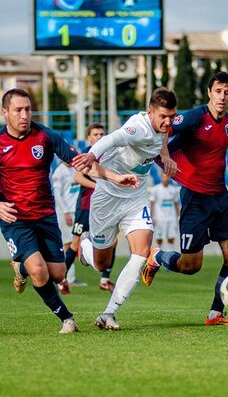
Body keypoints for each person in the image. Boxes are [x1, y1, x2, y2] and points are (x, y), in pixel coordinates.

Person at [0, 88, 138, 334]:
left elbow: (82, 163)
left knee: (57, 274)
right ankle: (67, 319)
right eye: (18, 110)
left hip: (44, 215)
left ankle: (19, 268)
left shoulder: (45, 136)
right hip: (15, 218)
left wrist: (114, 177)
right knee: (39, 271)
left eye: (28, 109)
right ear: (5, 113)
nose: (24, 115)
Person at [142, 72, 228, 326]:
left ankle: (216, 313)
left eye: (227, 92)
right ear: (209, 92)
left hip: (220, 196)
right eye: (218, 91)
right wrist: (164, 155)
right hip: (195, 198)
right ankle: (157, 256)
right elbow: (165, 127)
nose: (222, 96)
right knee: (190, 265)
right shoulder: (196, 116)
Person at [72, 87, 177, 331]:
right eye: (163, 116)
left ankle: (109, 313)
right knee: (101, 264)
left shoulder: (163, 125)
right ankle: (84, 248)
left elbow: (161, 140)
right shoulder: (137, 127)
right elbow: (113, 138)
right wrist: (91, 155)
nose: (168, 121)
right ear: (150, 112)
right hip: (107, 197)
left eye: (172, 116)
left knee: (141, 253)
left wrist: (167, 157)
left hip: (135, 197)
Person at [64, 123, 117, 292]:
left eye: (102, 134)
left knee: (113, 242)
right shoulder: (85, 155)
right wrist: (99, 187)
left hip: (105, 206)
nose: (100, 137)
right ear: (89, 137)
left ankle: (104, 279)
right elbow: (78, 177)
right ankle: (62, 279)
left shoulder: (109, 154)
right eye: (96, 134)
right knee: (75, 243)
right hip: (86, 206)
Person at [51, 160, 84, 293]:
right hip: (65, 213)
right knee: (68, 244)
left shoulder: (75, 170)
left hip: (76, 210)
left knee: (73, 244)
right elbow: (57, 195)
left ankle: (68, 278)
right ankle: (67, 278)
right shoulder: (59, 172)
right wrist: (65, 212)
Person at [149, 171, 180, 249]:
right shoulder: (155, 189)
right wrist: (152, 217)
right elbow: (152, 204)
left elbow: (176, 204)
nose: (165, 178)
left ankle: (171, 254)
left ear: (169, 178)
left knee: (171, 237)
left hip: (171, 218)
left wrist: (177, 217)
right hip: (159, 218)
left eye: (167, 176)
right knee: (159, 238)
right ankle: (160, 254)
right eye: (163, 176)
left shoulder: (173, 190)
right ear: (161, 177)